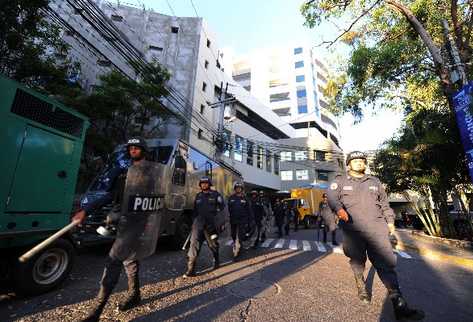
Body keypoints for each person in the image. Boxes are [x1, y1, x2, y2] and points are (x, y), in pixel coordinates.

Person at [327, 151, 424, 320]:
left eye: (361, 161)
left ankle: (399, 305)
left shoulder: (374, 181)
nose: (358, 163)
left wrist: (390, 221)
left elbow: (384, 203)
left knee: (386, 263)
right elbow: (332, 197)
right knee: (357, 260)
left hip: (377, 228)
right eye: (355, 161)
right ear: (349, 164)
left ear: (365, 164)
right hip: (353, 229)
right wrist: (339, 209)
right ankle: (360, 283)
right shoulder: (340, 180)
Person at [73, 137, 159, 322]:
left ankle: (95, 312)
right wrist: (85, 211)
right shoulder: (124, 173)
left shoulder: (152, 174)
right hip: (120, 222)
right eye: (131, 148)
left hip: (135, 224)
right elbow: (110, 196)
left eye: (137, 148)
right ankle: (135, 294)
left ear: (144, 150)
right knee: (130, 260)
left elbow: (155, 201)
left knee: (114, 260)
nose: (133, 151)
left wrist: (148, 223)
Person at [183, 176, 225, 278]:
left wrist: (221, 223)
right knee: (194, 245)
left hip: (211, 226)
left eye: (206, 183)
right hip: (198, 225)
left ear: (209, 184)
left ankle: (216, 260)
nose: (204, 185)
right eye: (202, 183)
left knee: (213, 245)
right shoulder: (198, 196)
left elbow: (222, 210)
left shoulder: (216, 195)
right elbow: (195, 211)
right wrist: (194, 223)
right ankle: (191, 269)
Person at [228, 182, 255, 259]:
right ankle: (237, 245)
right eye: (237, 188)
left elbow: (249, 210)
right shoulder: (231, 198)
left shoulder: (245, 199)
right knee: (233, 235)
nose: (238, 189)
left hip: (242, 221)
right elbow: (228, 209)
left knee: (240, 236)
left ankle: (237, 252)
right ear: (235, 189)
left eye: (239, 188)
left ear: (241, 189)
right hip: (233, 220)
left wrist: (251, 220)